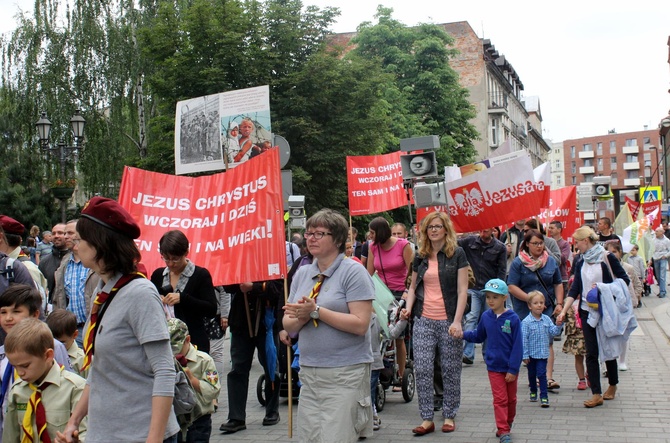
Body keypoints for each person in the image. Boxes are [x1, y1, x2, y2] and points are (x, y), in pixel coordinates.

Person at [57, 196, 179, 443]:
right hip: (105, 433)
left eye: (79, 239)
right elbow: (100, 369)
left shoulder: (140, 294)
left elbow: (164, 372)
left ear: (100, 244)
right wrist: (74, 421)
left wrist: (153, 439)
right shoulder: (105, 292)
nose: (74, 245)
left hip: (138, 433)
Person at [283, 209, 375, 442]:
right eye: (308, 233)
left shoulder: (353, 272)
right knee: (310, 438)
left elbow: (360, 324)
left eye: (319, 233)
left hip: (345, 372)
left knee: (337, 437)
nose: (311, 238)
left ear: (337, 239)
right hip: (309, 371)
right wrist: (304, 315)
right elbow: (288, 324)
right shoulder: (303, 272)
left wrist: (317, 311)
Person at [402, 212, 468, 435]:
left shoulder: (457, 254)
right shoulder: (420, 256)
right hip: (423, 319)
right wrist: (408, 308)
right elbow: (412, 287)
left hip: (449, 319)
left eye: (438, 226)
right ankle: (427, 418)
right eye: (430, 227)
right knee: (422, 368)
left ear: (446, 229)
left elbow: (462, 291)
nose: (433, 230)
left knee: (450, 369)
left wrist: (458, 321)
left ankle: (449, 414)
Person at [556, 226, 630, 408]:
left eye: (577, 242)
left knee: (609, 349)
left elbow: (623, 280)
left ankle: (612, 384)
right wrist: (565, 310)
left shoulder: (606, 258)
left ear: (586, 241)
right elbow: (575, 289)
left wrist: (604, 289)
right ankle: (596, 393)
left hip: (605, 311)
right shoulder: (581, 261)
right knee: (591, 352)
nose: (575, 246)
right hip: (586, 311)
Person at [2, 318, 87, 442]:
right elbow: (10, 437)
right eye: (15, 366)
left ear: (48, 355)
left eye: (25, 366)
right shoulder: (17, 391)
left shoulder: (76, 388)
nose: (20, 373)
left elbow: (87, 433)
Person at [458, 278, 522, 443]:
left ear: (504, 298)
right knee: (500, 399)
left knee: (511, 400)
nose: (491, 301)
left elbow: (518, 346)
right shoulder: (486, 317)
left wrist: (513, 369)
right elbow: (478, 336)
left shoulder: (513, 319)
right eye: (488, 297)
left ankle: (508, 423)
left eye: (495, 297)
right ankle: (503, 430)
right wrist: (463, 334)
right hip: (493, 366)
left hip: (510, 368)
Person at [219, 277, 283, 434]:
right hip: (241, 323)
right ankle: (236, 417)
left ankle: (272, 410)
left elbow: (278, 289)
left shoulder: (271, 259)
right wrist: (238, 282)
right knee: (238, 369)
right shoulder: (238, 260)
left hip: (266, 322)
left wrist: (254, 287)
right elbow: (227, 286)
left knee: (270, 367)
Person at [507, 228, 564, 391]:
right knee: (524, 340)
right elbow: (511, 286)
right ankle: (524, 372)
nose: (539, 247)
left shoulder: (550, 261)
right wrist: (530, 300)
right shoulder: (519, 262)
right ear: (527, 244)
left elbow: (558, 283)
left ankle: (547, 377)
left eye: (541, 243)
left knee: (548, 341)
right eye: (535, 244)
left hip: (546, 308)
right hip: (524, 308)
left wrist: (559, 303)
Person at [150, 230, 217, 354]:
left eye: (175, 259)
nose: (170, 263)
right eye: (166, 258)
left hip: (193, 343)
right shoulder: (158, 275)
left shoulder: (200, 275)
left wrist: (184, 298)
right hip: (165, 343)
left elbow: (211, 309)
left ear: (186, 252)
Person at [366, 216, 413, 384]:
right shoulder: (373, 247)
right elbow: (369, 273)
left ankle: (401, 373)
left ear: (380, 232)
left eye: (372, 232)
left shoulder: (403, 245)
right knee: (377, 331)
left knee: (398, 336)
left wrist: (409, 292)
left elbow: (412, 271)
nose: (369, 236)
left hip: (401, 292)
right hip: (381, 293)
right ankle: (379, 368)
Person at [458, 228, 507, 364]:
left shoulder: (499, 247)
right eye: (481, 229)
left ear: (492, 230)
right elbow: (452, 244)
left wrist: (499, 289)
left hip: (489, 289)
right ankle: (468, 353)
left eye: (486, 230)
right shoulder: (469, 242)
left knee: (489, 320)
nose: (483, 232)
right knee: (471, 318)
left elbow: (502, 269)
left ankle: (488, 353)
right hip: (472, 287)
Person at [168, 318, 221, 443]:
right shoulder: (167, 361)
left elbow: (214, 390)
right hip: (175, 420)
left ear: (188, 340)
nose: (174, 353)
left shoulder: (204, 360)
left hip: (199, 420)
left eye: (176, 349)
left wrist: (192, 379)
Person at [53, 220, 100, 346]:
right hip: (70, 330)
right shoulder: (65, 263)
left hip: (93, 327)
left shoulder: (95, 262)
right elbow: (59, 297)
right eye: (64, 233)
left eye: (70, 233)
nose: (65, 236)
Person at [521, 291, 563, 408]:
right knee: (531, 374)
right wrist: (524, 355)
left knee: (542, 374)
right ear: (530, 306)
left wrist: (559, 324)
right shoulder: (526, 322)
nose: (539, 305)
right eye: (535, 303)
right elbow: (523, 339)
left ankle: (544, 396)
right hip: (531, 355)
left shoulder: (547, 320)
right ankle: (533, 390)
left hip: (543, 354)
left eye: (541, 303)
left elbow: (553, 332)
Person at [605, 241, 642, 371]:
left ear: (620, 252)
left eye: (615, 252)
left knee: (624, 333)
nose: (612, 255)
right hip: (610, 304)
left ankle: (622, 360)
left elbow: (636, 284)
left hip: (624, 305)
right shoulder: (603, 266)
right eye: (609, 252)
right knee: (609, 333)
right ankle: (608, 360)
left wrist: (635, 297)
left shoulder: (628, 268)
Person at [46, 308, 88, 379]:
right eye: (52, 341)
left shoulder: (83, 360)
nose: (56, 346)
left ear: (75, 335)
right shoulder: (46, 355)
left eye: (62, 343)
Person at [38, 223, 68, 298]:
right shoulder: (44, 262)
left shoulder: (77, 260)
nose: (56, 236)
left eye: (60, 233)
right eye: (53, 233)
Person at [650, 226, 670, 298]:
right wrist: (650, 260)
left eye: (657, 231)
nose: (656, 233)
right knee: (658, 276)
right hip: (655, 258)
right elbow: (651, 250)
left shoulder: (667, 240)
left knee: (662, 276)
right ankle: (662, 289)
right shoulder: (653, 240)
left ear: (662, 232)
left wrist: (666, 255)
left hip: (663, 258)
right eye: (655, 231)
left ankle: (662, 291)